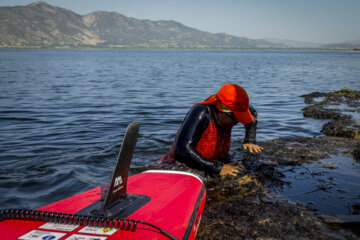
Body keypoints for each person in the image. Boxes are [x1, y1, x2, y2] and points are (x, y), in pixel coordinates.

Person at [161, 83, 263, 177]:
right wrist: (218, 168)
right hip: (182, 167)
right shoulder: (202, 112)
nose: (237, 123)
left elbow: (252, 115)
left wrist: (249, 140)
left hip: (215, 161)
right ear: (221, 111)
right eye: (236, 119)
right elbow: (182, 151)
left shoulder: (231, 112)